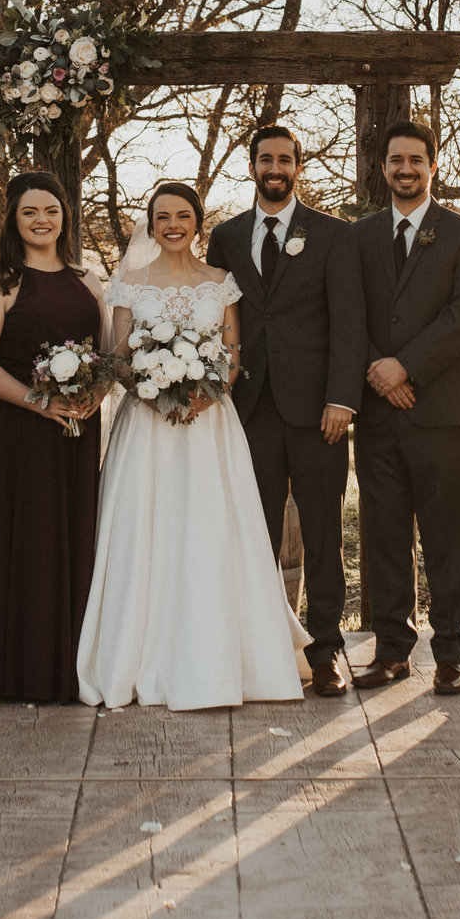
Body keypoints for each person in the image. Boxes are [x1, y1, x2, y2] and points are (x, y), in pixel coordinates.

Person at [76, 181, 306, 710]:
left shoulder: (221, 283)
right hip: (148, 429)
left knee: (211, 530)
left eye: (183, 215)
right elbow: (120, 361)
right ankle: (139, 655)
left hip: (209, 427)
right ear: (151, 223)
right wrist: (154, 394)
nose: (172, 224)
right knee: (148, 530)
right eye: (162, 216)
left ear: (197, 222)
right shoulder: (129, 284)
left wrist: (204, 397)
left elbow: (232, 355)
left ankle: (223, 657)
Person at [210, 127, 366, 696]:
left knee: (324, 534)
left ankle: (325, 654)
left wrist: (342, 398)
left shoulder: (331, 235)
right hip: (250, 410)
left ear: (298, 165)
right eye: (265, 159)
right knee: (256, 535)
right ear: (250, 166)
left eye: (285, 159)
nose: (275, 167)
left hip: (320, 410)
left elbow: (351, 323)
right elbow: (217, 319)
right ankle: (265, 647)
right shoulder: (225, 237)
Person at [349, 122, 460, 695]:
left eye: (416, 159)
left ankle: (453, 651)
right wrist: (379, 375)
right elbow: (346, 313)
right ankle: (390, 649)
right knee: (383, 534)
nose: (405, 169)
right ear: (382, 167)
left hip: (442, 409)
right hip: (379, 412)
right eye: (395, 160)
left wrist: (405, 367)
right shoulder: (357, 238)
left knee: (446, 533)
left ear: (433, 165)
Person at [0, 174, 106, 703]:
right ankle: (19, 668)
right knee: (29, 542)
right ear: (14, 221)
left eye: (51, 210)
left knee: (73, 537)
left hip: (77, 429)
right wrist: (38, 400)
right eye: (30, 212)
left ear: (65, 216)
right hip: (20, 432)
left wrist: (97, 392)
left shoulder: (88, 279)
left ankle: (72, 664)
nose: (42, 220)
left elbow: (110, 353)